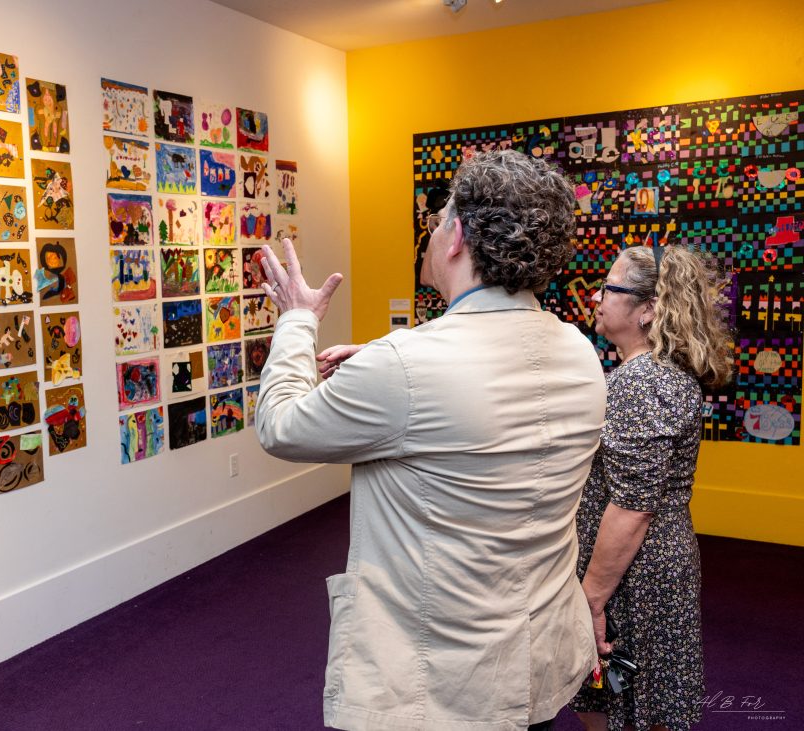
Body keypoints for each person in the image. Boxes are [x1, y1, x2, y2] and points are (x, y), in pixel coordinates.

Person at [255, 149, 607, 731]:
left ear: (457, 238)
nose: (434, 231)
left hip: (441, 686)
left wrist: (297, 320)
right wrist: (382, 362)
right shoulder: (579, 352)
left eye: (441, 218)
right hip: (537, 661)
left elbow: (280, 426)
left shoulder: (408, 364)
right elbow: (487, 392)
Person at [570, 245, 732, 731]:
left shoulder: (642, 381)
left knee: (621, 703)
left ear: (648, 310)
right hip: (645, 563)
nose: (597, 297)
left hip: (633, 572)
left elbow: (634, 507)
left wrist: (591, 599)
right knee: (634, 703)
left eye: (611, 288)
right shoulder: (654, 373)